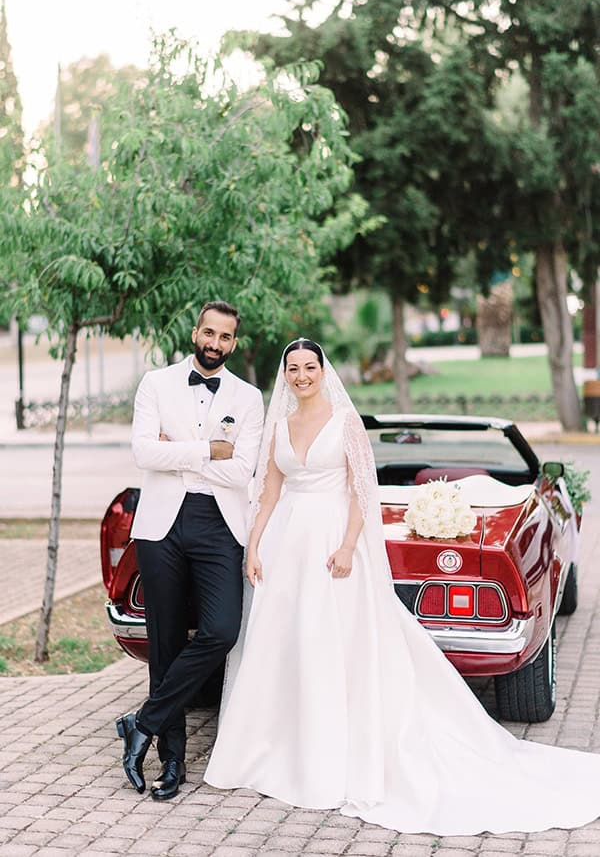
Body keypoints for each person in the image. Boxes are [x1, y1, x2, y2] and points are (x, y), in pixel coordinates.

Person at [204, 338, 600, 835]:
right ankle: (279, 746)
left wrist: (349, 546)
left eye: (309, 367)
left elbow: (360, 492)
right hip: (286, 545)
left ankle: (332, 752)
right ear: (285, 375)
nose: (301, 375)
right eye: (293, 369)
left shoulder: (346, 422)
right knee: (286, 642)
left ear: (324, 371)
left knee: (334, 642)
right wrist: (255, 546)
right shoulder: (279, 427)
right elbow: (269, 492)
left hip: (331, 543)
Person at [116, 301, 264, 801]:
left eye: (225, 337)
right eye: (209, 332)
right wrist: (205, 451)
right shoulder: (155, 384)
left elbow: (242, 471)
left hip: (220, 525)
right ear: (195, 330)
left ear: (233, 343)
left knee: (222, 630)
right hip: (161, 526)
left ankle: (142, 722)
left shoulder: (249, 397)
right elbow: (143, 452)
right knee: (165, 642)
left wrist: (174, 452)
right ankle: (171, 764)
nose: (215, 343)